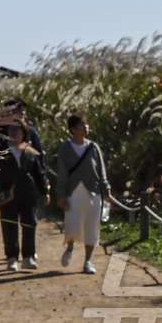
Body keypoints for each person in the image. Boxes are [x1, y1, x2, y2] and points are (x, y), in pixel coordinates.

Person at [0, 120, 49, 270]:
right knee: (9, 225)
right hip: (7, 194)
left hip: (28, 193)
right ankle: (12, 258)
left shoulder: (30, 151)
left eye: (17, 130)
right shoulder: (1, 150)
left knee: (29, 224)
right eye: (11, 130)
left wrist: (45, 192)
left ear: (24, 133)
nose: (13, 133)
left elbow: (39, 173)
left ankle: (28, 257)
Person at [55, 113, 111, 274]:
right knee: (72, 226)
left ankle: (88, 261)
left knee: (92, 228)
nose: (85, 127)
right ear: (72, 129)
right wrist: (61, 195)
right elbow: (62, 172)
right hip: (73, 193)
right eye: (81, 125)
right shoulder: (65, 148)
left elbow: (101, 171)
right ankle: (70, 248)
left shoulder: (93, 147)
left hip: (93, 193)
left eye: (86, 124)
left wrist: (106, 190)